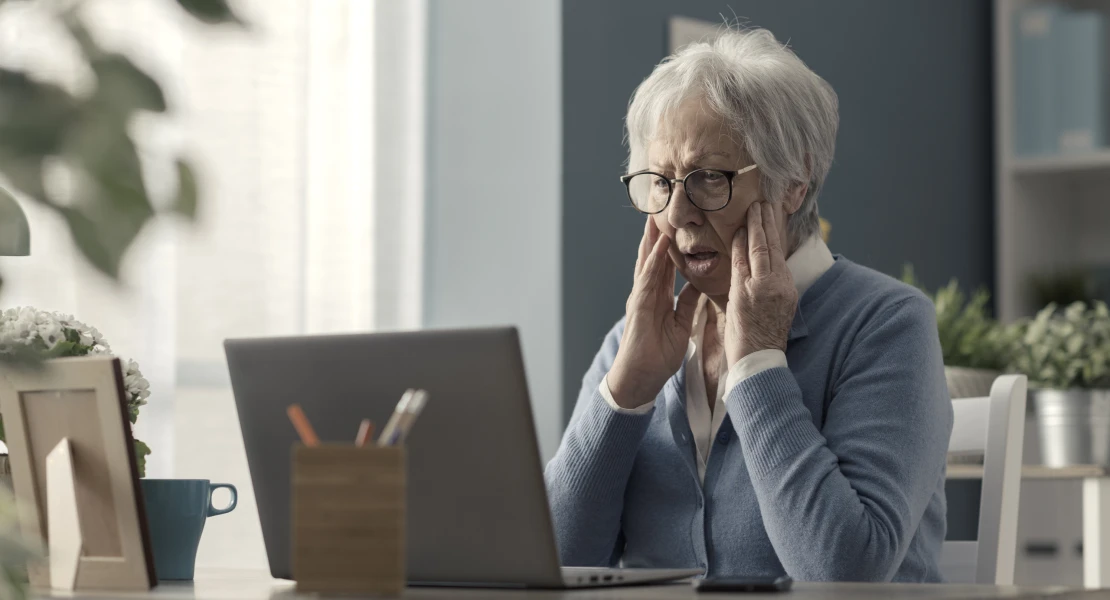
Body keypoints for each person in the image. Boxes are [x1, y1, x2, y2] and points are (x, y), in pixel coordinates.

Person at [544, 27, 953, 582]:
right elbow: (551, 565)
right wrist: (625, 393)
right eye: (660, 182)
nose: (679, 212)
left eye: (707, 178)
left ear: (794, 182)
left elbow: (843, 573)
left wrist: (758, 363)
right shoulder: (631, 341)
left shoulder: (886, 325)